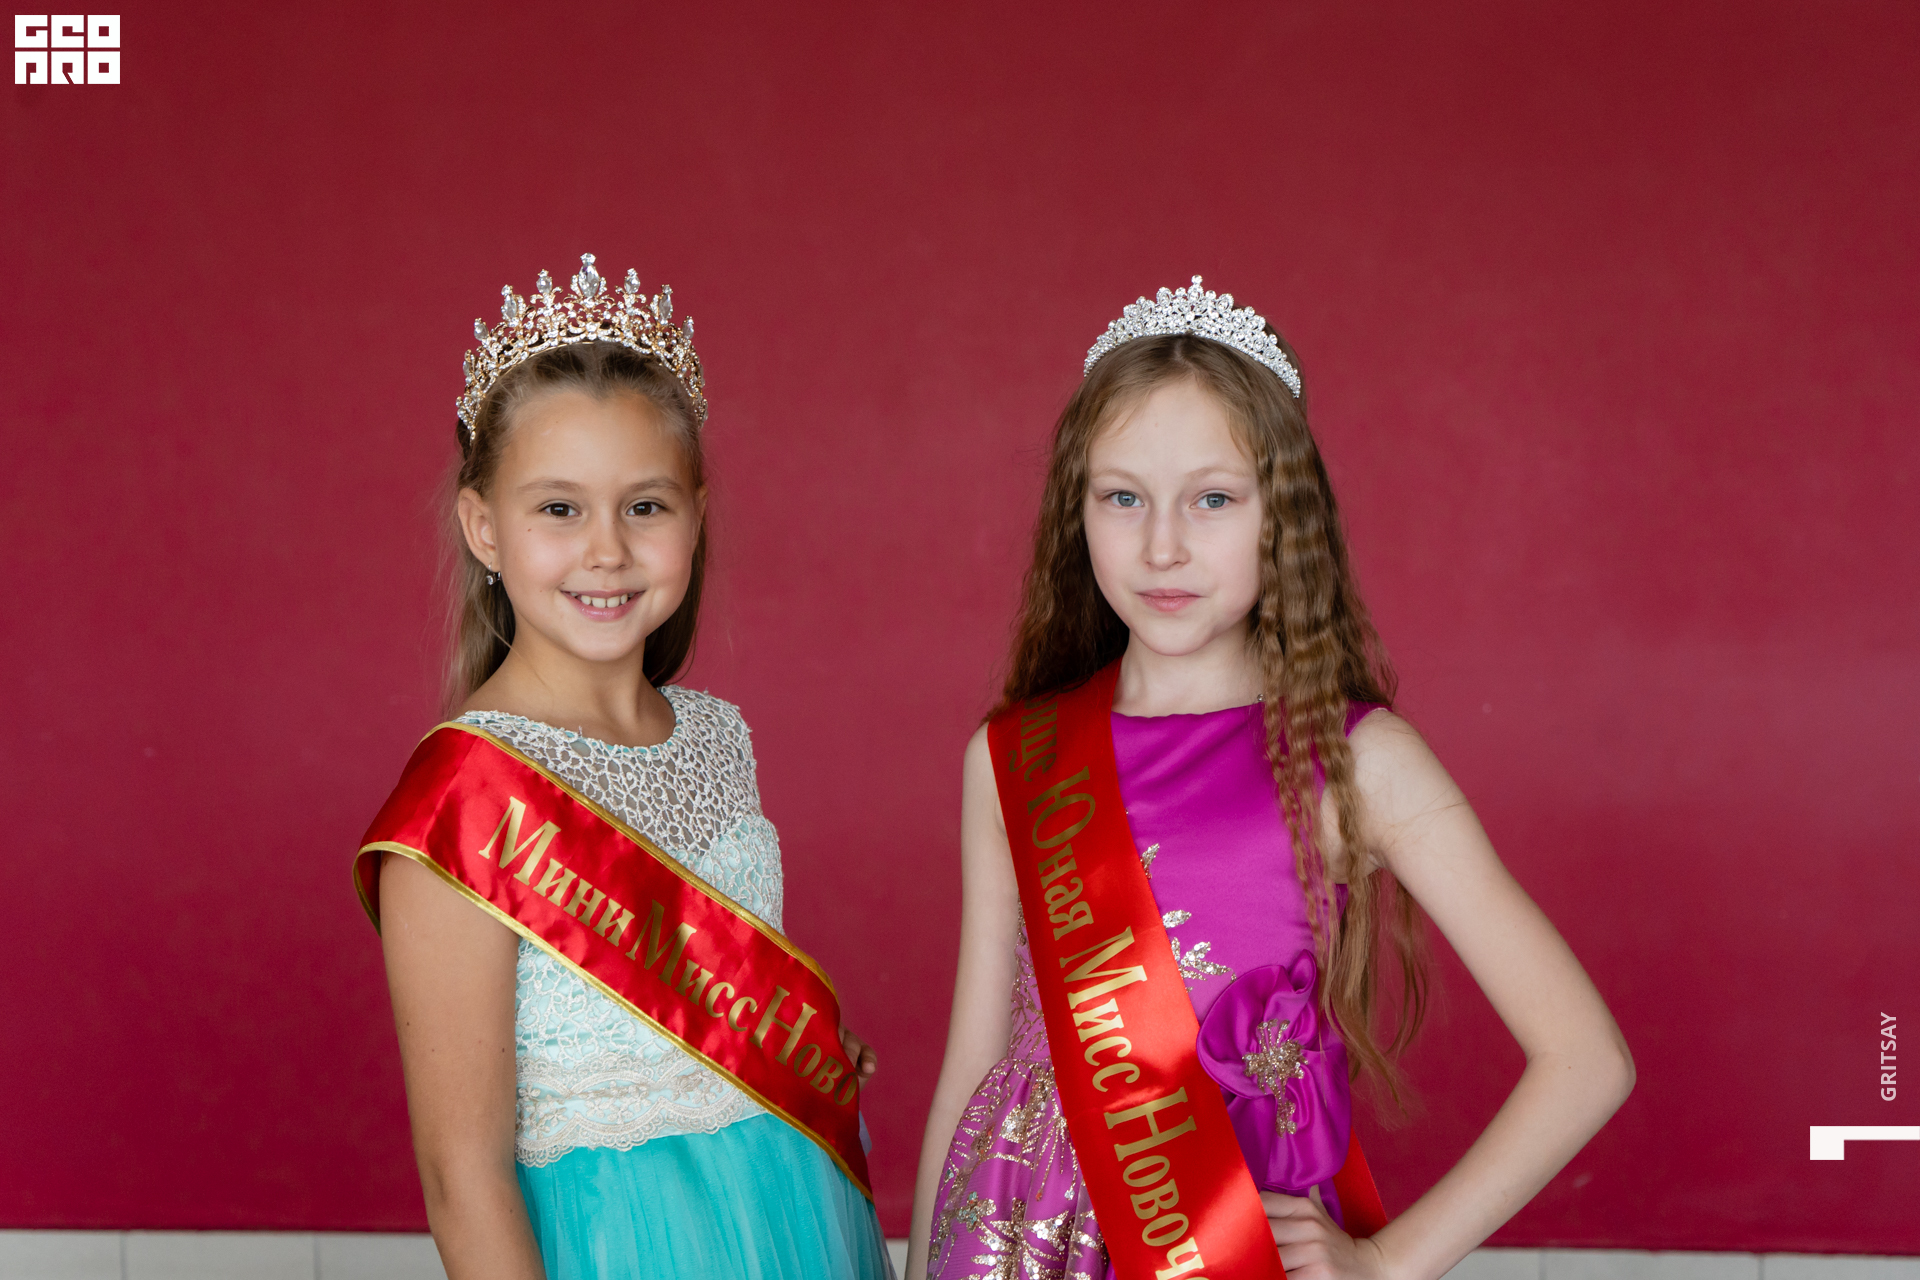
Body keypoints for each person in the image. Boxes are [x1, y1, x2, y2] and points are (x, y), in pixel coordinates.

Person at [906, 279, 1634, 1280]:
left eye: (1213, 499)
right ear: (1077, 512)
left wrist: (1388, 1262)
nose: (1163, 544)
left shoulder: (1358, 758)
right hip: (1013, 1235)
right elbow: (974, 1065)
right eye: (1123, 497)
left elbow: (1587, 1058)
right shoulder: (1011, 757)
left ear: (1282, 513)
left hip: (1226, 1236)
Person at [356, 255, 894, 1280]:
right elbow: (460, 1177)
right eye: (559, 509)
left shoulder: (720, 738)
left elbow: (702, 993)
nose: (606, 550)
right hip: (610, 1242)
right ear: (484, 528)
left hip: (784, 1213)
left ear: (696, 515)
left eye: (645, 506)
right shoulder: (461, 800)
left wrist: (791, 1042)